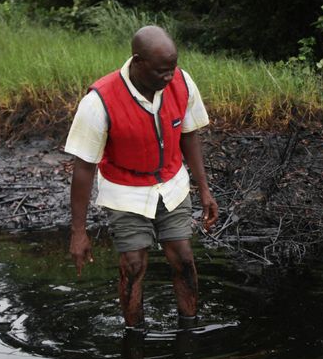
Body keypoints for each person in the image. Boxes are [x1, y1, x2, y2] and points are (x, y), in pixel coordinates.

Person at [65, 25, 218, 328]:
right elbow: (83, 168)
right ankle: (134, 336)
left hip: (172, 185)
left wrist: (204, 189)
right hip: (125, 190)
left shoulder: (182, 83)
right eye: (162, 71)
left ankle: (190, 327)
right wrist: (78, 232)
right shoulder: (100, 101)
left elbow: (189, 136)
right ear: (138, 61)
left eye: (172, 68)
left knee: (184, 258)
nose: (169, 77)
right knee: (133, 264)